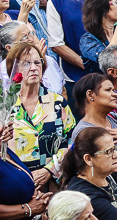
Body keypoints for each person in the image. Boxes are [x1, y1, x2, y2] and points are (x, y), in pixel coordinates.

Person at [5, 41, 75, 187]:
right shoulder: (4, 105)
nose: (33, 68)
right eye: (26, 63)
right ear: (13, 69)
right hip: (15, 184)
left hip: (54, 185)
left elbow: (71, 141)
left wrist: (49, 170)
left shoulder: (57, 102)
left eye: (38, 62)